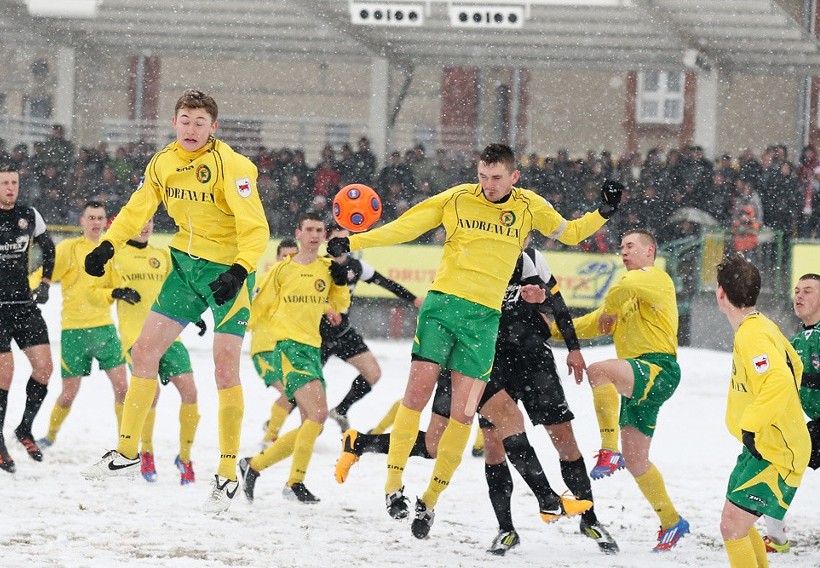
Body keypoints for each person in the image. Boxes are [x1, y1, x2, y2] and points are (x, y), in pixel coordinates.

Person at [326, 142, 622, 539]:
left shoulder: (530, 206)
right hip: (443, 309)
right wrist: (354, 242)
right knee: (416, 398)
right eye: (482, 177)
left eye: (496, 178)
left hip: (485, 322)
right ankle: (393, 488)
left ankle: (429, 500)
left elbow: (569, 234)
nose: (488, 185)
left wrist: (603, 212)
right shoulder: (457, 199)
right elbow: (407, 226)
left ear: (514, 176)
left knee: (462, 418)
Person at [80, 89, 270, 516]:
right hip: (184, 268)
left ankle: (225, 473)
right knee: (144, 352)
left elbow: (257, 229)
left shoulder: (234, 167)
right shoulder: (162, 161)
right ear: (174, 122)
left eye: (199, 122)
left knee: (224, 369)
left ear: (213, 128)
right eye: (184, 120)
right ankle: (127, 451)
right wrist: (108, 245)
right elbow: (136, 208)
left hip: (228, 272)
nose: (190, 129)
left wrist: (239, 270)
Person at [476, 246, 617, 555]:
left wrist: (574, 348)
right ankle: (506, 529)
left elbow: (558, 302)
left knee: (565, 439)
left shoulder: (533, 259)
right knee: (493, 445)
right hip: (492, 362)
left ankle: (589, 517)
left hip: (533, 358)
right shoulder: (478, 254)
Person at [557, 229, 688, 551]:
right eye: (622, 247)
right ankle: (672, 522)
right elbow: (584, 325)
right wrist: (537, 326)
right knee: (638, 460)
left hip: (658, 369)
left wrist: (612, 310)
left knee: (599, 370)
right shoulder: (623, 299)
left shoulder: (656, 278)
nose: (624, 252)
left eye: (630, 246)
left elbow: (625, 285)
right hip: (637, 379)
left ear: (650, 251)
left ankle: (607, 448)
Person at [238, 212, 350, 503]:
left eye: (319, 230)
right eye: (309, 229)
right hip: (288, 348)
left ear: (325, 236)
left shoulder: (327, 268)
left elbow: (339, 305)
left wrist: (340, 279)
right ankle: (265, 470)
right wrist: (236, 329)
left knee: (310, 423)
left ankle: (280, 476)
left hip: (313, 349)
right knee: (319, 415)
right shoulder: (280, 270)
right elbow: (258, 306)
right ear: (298, 233)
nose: (314, 234)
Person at [715, 255, 810, 568]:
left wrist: (754, 424)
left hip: (776, 452)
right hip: (762, 446)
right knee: (737, 526)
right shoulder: (759, 325)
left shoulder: (752, 333)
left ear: (721, 293)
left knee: (731, 527)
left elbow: (780, 378)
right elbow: (794, 364)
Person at [0, 163, 55, 472]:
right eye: (4, 183)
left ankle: (24, 429)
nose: (10, 188)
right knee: (5, 373)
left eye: (14, 183)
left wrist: (44, 283)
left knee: (44, 369)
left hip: (23, 304)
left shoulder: (30, 215)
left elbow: (48, 246)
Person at [109, 218, 204, 485]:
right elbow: (98, 286)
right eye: (139, 221)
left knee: (190, 392)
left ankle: (184, 457)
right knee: (151, 394)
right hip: (137, 338)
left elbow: (176, 291)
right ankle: (146, 451)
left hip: (169, 335)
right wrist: (115, 291)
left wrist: (191, 312)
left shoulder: (162, 256)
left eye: (149, 221)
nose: (144, 226)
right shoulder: (116, 256)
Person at [38, 201, 129, 449]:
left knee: (123, 388)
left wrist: (120, 293)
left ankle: (125, 443)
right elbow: (46, 275)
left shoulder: (110, 250)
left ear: (105, 221)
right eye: (91, 218)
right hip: (74, 330)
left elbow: (113, 287)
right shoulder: (69, 248)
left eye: (100, 218)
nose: (95, 223)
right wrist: (29, 287)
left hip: (104, 328)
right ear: (82, 221)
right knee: (68, 395)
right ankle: (50, 436)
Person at [324, 224, 423, 432]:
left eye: (346, 241)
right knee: (303, 388)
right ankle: (274, 428)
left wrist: (413, 299)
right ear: (328, 241)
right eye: (337, 240)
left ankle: (340, 410)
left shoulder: (356, 266)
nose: (342, 246)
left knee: (373, 373)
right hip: (315, 335)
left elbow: (385, 283)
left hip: (342, 332)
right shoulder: (318, 265)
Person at [762, 272, 820, 553]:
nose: (799, 296)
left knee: (785, 462)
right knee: (783, 460)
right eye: (797, 290)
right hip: (816, 422)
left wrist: (802, 379)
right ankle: (776, 537)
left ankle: (776, 536)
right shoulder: (796, 341)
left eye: (808, 291)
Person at [255, 238, 299, 451]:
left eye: (293, 257)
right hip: (265, 349)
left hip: (288, 349)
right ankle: (269, 437)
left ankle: (275, 430)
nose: (288, 261)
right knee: (290, 393)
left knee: (297, 394)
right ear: (276, 259)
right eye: (284, 257)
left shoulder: (300, 285)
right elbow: (251, 312)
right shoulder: (265, 281)